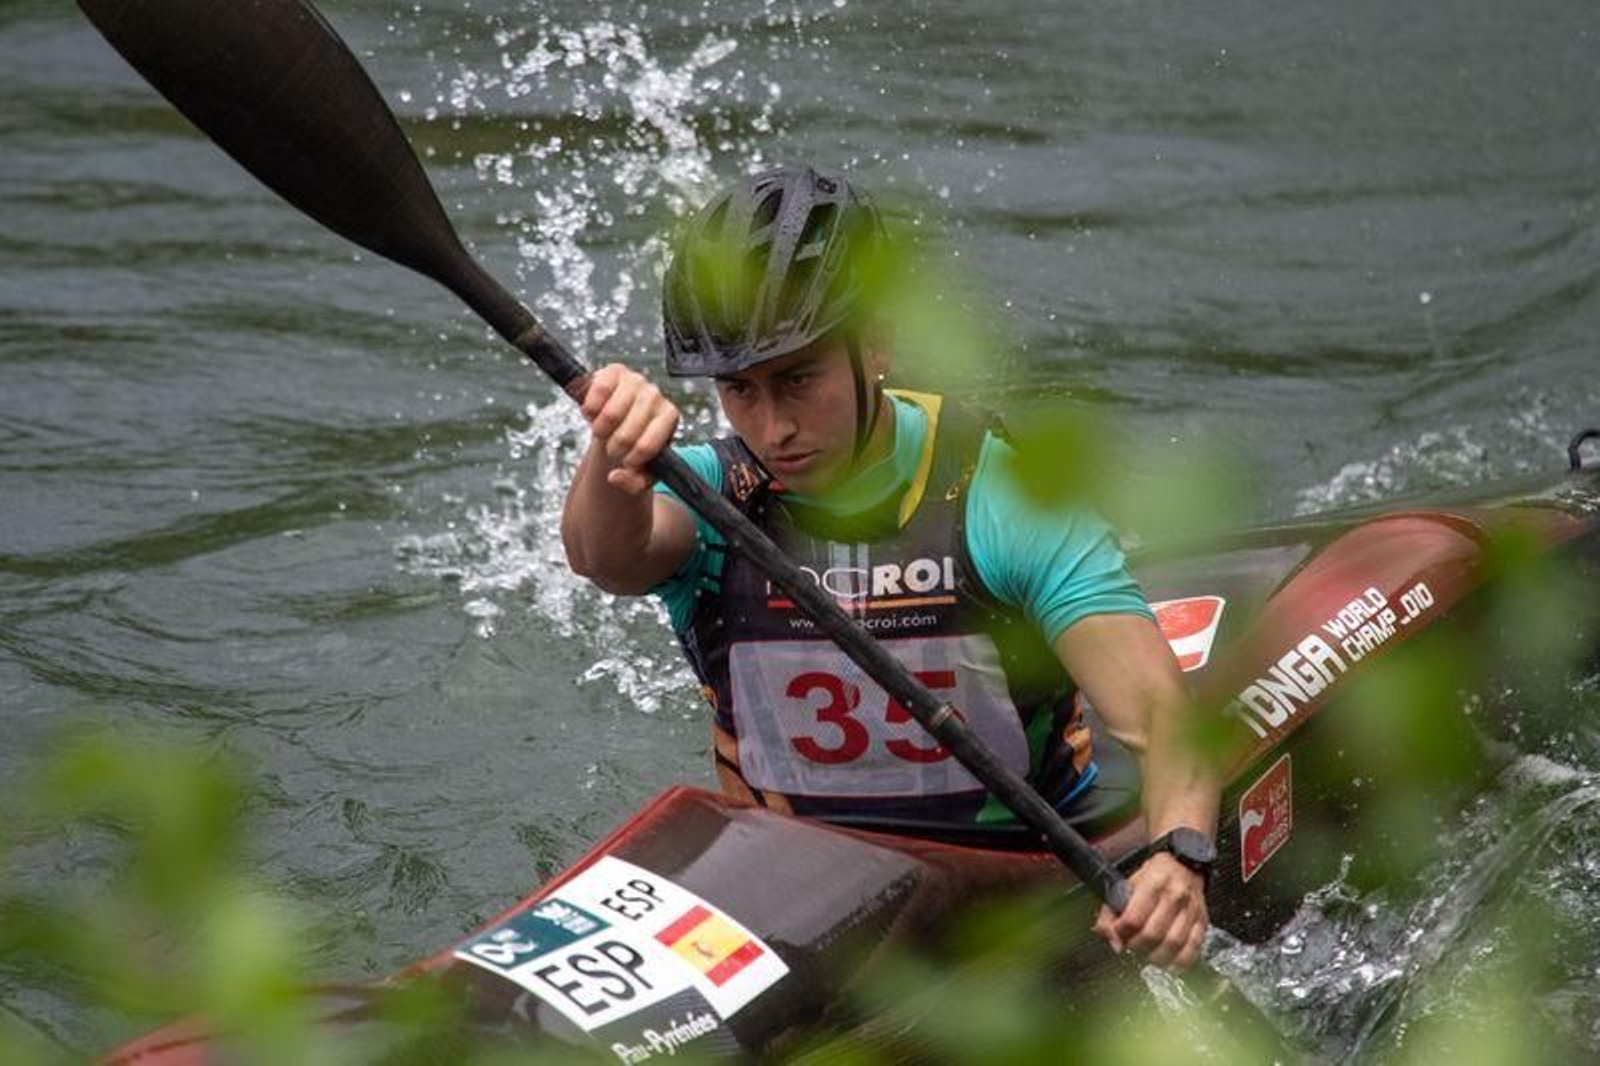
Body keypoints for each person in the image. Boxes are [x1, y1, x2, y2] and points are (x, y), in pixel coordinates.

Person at [560, 165, 1220, 972]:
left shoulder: (999, 495)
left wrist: (1179, 860)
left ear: (876, 345)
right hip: (790, 895)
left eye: (800, 379)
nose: (774, 427)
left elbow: (1162, 717)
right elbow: (605, 558)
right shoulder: (711, 498)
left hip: (1010, 879)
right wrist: (613, 455)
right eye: (740, 390)